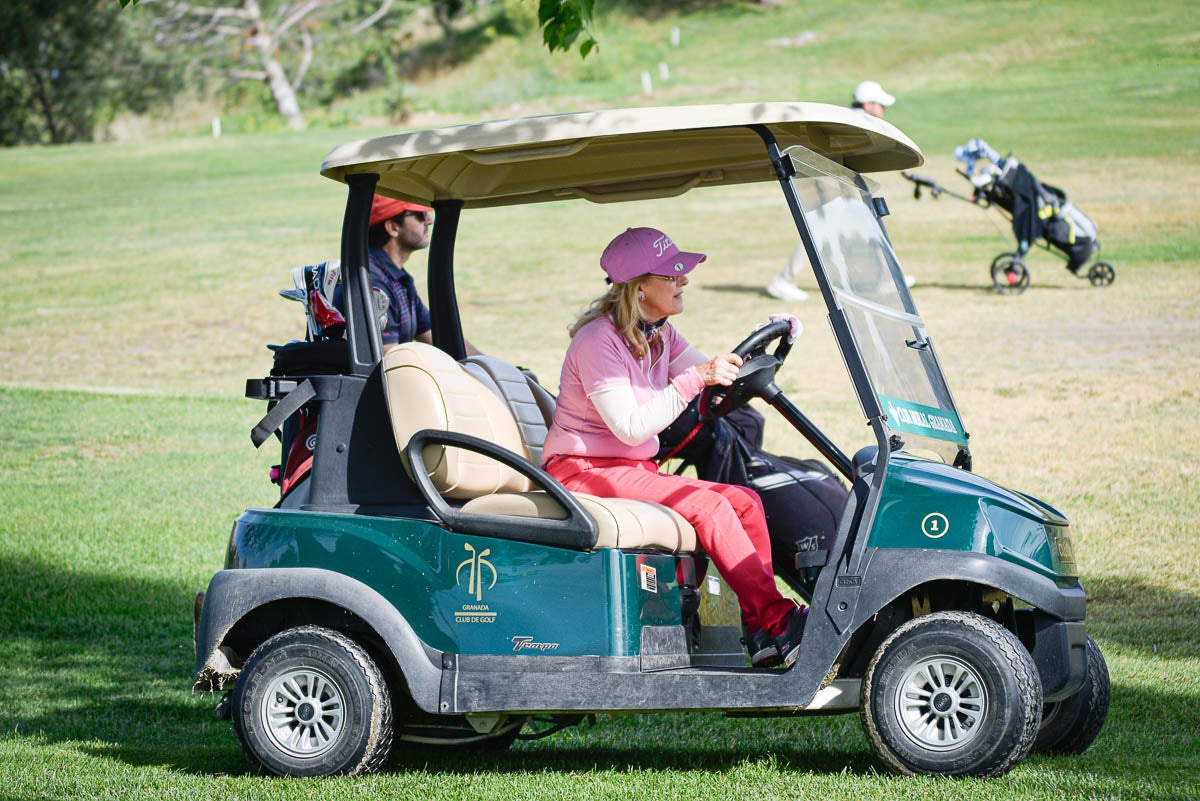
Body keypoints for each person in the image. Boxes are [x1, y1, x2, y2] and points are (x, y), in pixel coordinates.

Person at [541, 226, 807, 668]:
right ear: (640, 287)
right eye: (672, 275)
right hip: (581, 469)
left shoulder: (658, 333)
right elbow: (631, 427)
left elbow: (713, 376)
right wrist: (694, 380)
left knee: (743, 502)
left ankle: (760, 628)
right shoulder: (596, 342)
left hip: (623, 469)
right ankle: (779, 620)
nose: (684, 280)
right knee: (710, 507)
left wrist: (765, 343)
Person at [765, 80, 912, 301]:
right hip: (833, 186)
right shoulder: (858, 121)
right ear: (868, 104)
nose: (883, 110)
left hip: (836, 184)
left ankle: (886, 280)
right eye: (880, 104)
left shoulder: (855, 118)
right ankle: (783, 281)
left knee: (863, 227)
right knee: (820, 231)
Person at [367, 194, 480, 354]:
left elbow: (442, 339)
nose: (429, 220)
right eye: (419, 215)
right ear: (392, 228)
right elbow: (389, 361)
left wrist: (499, 371)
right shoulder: (375, 282)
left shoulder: (398, 279)